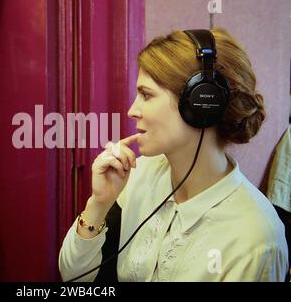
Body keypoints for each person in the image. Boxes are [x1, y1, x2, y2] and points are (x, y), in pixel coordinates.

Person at [59, 28, 289, 282]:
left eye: (146, 95)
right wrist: (99, 203)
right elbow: (73, 278)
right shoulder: (138, 176)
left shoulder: (256, 237)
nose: (132, 111)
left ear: (199, 103)